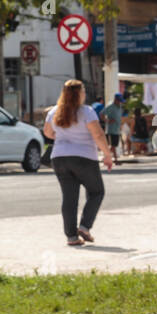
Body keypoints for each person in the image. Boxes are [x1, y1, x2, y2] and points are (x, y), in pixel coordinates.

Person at [42, 79, 112, 247]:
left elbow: (48, 133)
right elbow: (98, 135)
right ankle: (85, 226)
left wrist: (65, 137)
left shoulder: (54, 112)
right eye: (83, 92)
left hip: (59, 158)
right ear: (80, 94)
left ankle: (71, 237)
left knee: (69, 198)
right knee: (96, 191)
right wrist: (107, 155)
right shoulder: (86, 112)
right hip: (84, 158)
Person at [102, 92, 125, 162]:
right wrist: (108, 120)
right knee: (113, 145)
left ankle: (109, 157)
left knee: (114, 145)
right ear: (115, 99)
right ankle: (114, 159)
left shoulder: (120, 107)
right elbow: (101, 114)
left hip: (117, 129)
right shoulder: (110, 106)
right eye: (119, 100)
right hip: (111, 129)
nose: (120, 102)